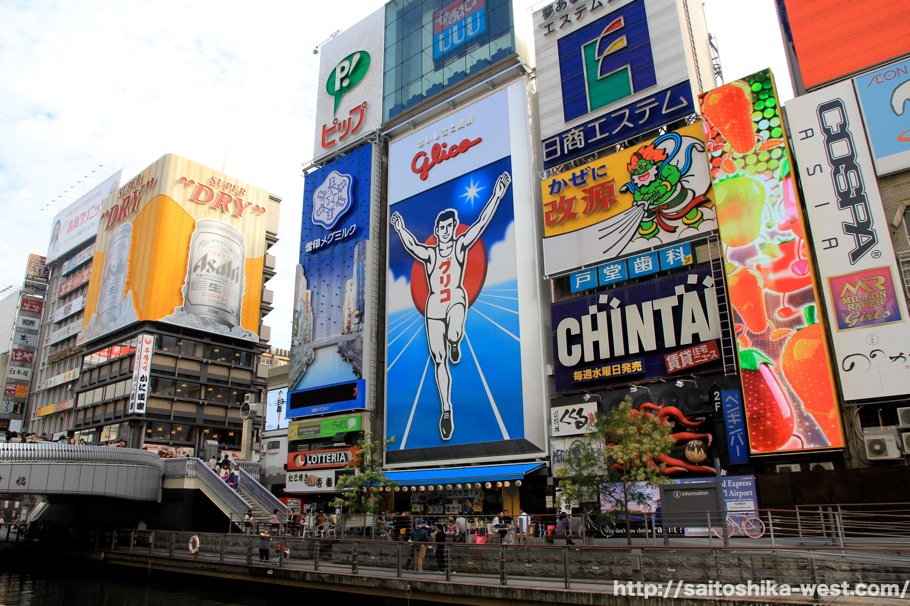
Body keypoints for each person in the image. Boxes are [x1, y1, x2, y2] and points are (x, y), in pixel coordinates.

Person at [389, 171, 512, 441]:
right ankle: (446, 409)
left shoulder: (460, 247)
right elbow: (411, 245)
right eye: (442, 228)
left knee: (454, 331)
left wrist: (497, 194)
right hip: (434, 306)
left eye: (450, 227)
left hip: (455, 297)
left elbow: (481, 223)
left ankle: (456, 340)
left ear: (454, 228)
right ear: (437, 231)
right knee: (439, 359)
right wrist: (399, 228)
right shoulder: (430, 254)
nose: (446, 232)